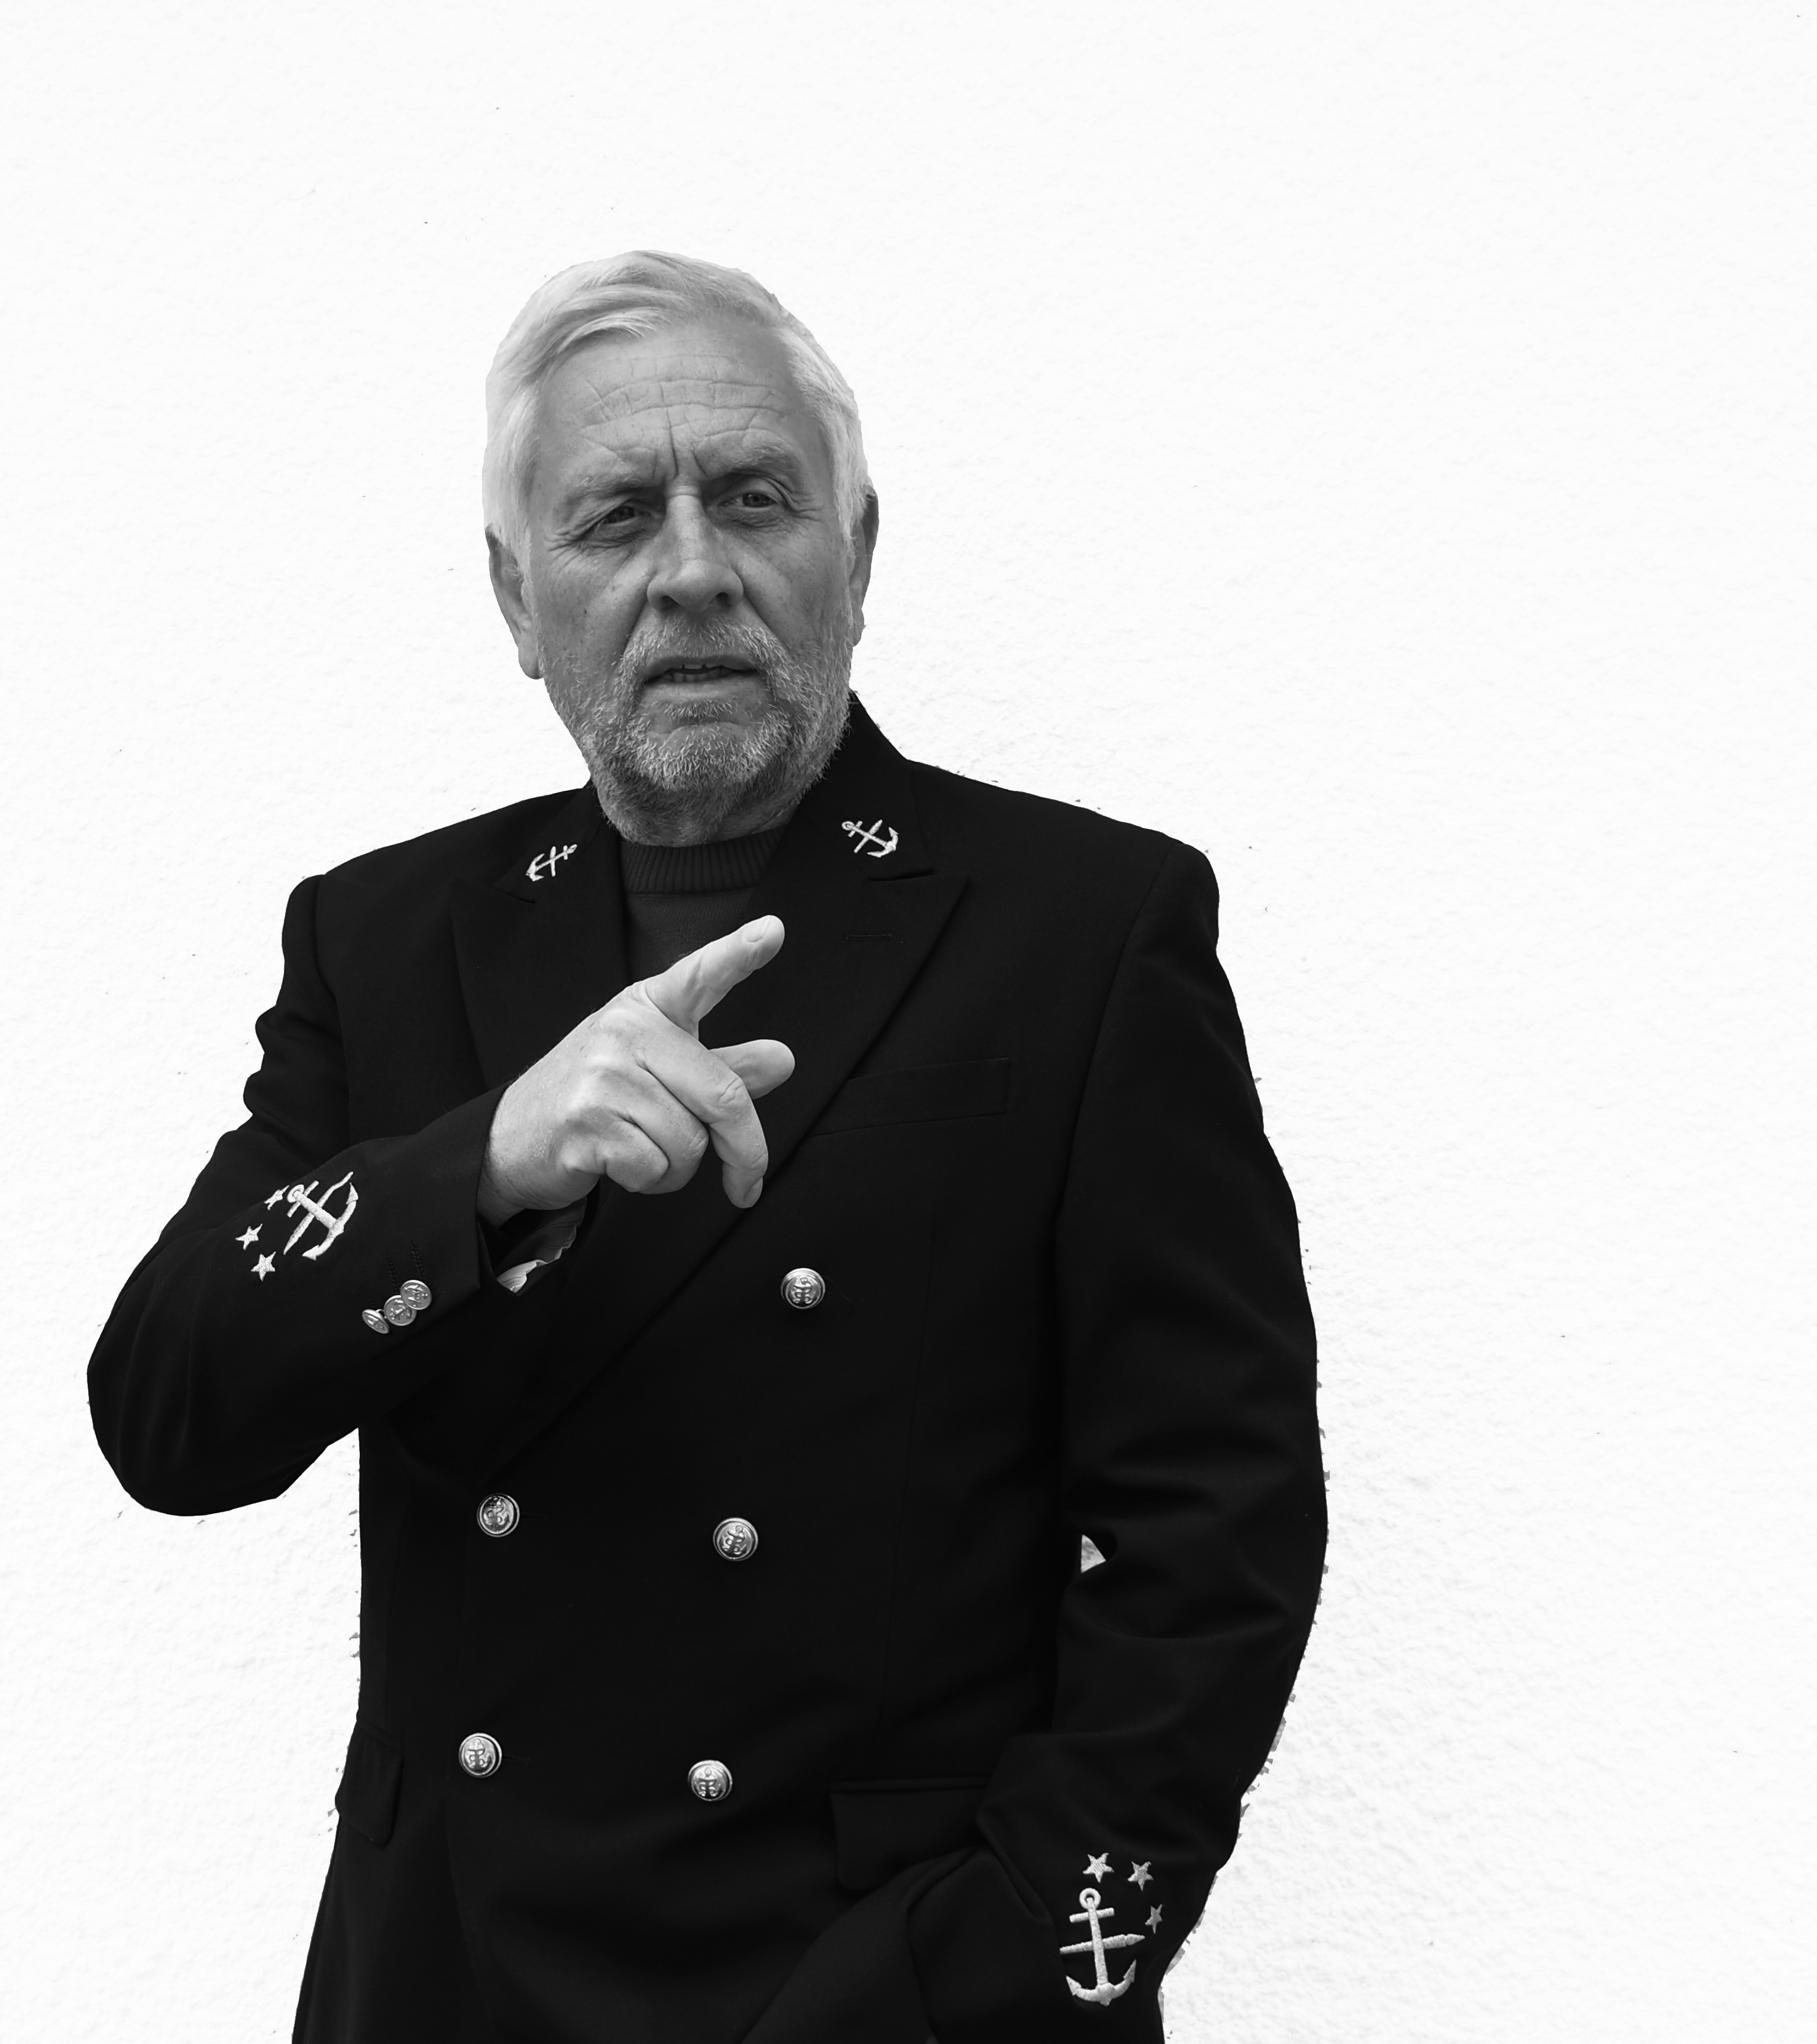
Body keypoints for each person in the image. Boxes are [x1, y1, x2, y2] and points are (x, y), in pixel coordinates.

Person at [88, 251, 1325, 2044]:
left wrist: (987, 1977)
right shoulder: (385, 940)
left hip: (882, 1996)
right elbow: (166, 1412)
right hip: (455, 1987)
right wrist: (479, 1169)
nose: (690, 571)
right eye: (612, 517)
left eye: (753, 498)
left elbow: (1216, 1539)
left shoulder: (1082, 929)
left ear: (857, 554)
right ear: (517, 598)